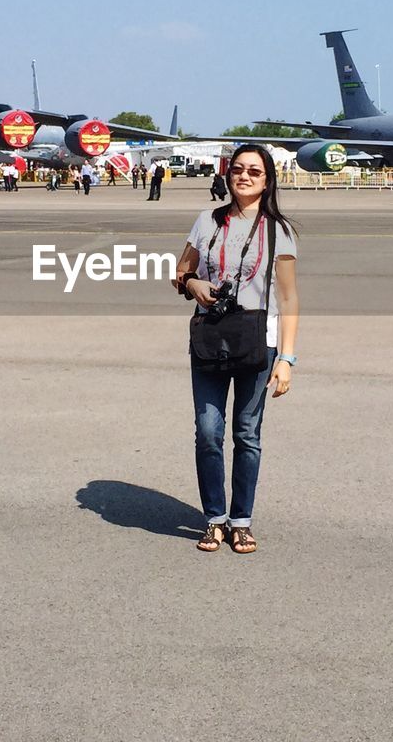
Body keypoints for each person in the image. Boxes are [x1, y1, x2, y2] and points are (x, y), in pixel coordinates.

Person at [173, 144, 299, 555]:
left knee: (247, 434)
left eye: (254, 172)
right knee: (208, 432)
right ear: (228, 175)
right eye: (238, 170)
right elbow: (180, 271)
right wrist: (193, 285)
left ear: (267, 180)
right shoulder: (207, 221)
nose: (244, 177)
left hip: (257, 341)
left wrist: (287, 358)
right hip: (210, 336)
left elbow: (290, 298)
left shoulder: (278, 229)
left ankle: (241, 520)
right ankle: (214, 518)